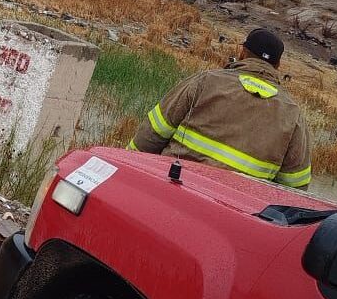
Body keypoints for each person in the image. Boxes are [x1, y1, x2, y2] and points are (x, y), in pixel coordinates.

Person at [129, 28, 312, 189]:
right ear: (278, 66)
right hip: (236, 214)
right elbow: (294, 187)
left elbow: (152, 133)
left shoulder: (206, 81)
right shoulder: (293, 114)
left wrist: (126, 168)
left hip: (174, 188)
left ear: (243, 53)